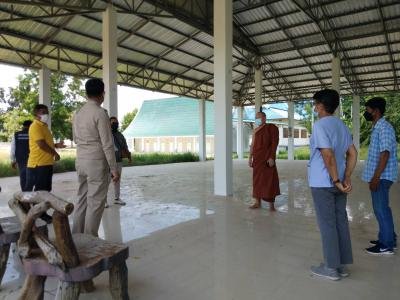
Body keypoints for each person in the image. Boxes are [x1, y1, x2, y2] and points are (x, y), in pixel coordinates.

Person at [308, 89, 358, 281]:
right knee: (340, 222)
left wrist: (336, 180)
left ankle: (330, 268)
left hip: (323, 183)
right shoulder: (342, 126)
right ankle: (341, 266)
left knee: (327, 225)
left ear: (321, 105)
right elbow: (352, 154)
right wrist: (347, 178)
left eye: (315, 104)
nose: (314, 107)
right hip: (338, 184)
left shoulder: (320, 126)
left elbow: (327, 155)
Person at [72, 78, 120, 237]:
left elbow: (74, 139)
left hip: (80, 160)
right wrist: (113, 168)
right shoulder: (100, 113)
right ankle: (90, 239)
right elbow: (107, 144)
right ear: (102, 94)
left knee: (82, 199)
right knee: (96, 203)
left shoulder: (77, 113)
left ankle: (77, 236)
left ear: (86, 94)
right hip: (96, 162)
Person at [362, 97, 398, 255]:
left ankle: (386, 245)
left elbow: (385, 154)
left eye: (368, 109)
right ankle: (389, 237)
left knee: (380, 210)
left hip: (382, 177)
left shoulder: (384, 127)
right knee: (384, 209)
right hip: (380, 176)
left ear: (376, 111)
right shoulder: (378, 127)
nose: (366, 112)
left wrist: (376, 177)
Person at [248, 111, 280, 211]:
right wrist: (250, 157)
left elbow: (274, 144)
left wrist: (272, 157)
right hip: (257, 159)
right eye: (256, 117)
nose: (257, 119)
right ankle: (257, 202)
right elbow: (252, 145)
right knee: (257, 180)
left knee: (270, 180)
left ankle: (271, 205)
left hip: (267, 158)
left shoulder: (271, 128)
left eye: (259, 117)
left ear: (265, 118)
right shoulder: (255, 130)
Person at [106, 116, 132, 207]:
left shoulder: (120, 135)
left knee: (117, 180)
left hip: (118, 159)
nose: (115, 125)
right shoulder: (105, 134)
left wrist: (129, 156)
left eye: (116, 123)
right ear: (108, 124)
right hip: (107, 161)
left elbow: (125, 146)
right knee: (106, 180)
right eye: (113, 123)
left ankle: (117, 198)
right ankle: (104, 201)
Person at [10, 120, 32, 191]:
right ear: (30, 126)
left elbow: (13, 148)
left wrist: (13, 160)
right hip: (32, 158)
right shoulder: (33, 134)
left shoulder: (16, 134)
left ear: (23, 126)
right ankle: (29, 193)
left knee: (23, 176)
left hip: (20, 158)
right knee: (31, 176)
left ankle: (24, 193)